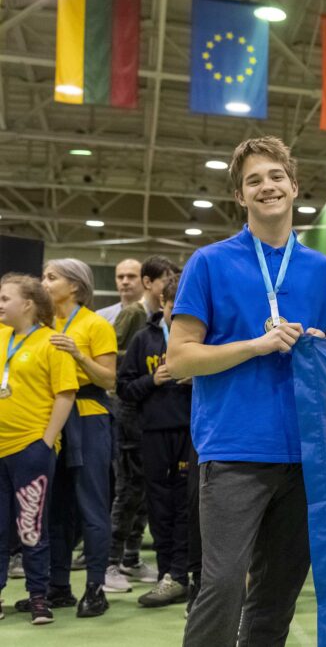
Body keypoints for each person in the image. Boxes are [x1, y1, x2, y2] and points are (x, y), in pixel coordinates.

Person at [168, 136, 326, 646]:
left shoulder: (320, 269)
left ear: (294, 186)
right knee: (223, 586)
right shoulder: (209, 262)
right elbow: (180, 358)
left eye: (275, 176)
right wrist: (256, 345)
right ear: (240, 196)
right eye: (253, 181)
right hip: (234, 450)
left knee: (277, 594)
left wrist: (322, 347)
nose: (266, 186)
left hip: (306, 453)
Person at [34, 258, 117, 618]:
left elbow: (109, 379)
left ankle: (96, 587)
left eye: (51, 277)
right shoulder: (41, 325)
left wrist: (78, 354)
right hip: (51, 416)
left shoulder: (96, 324)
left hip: (88, 416)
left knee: (91, 503)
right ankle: (58, 586)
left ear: (75, 286)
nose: (43, 283)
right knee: (55, 505)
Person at [0, 274, 79, 625]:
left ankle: (38, 598)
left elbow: (66, 394)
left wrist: (45, 442)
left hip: (30, 448)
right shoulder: (1, 337)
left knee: (31, 526)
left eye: (5, 298)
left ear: (28, 304)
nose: (0, 304)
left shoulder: (52, 342)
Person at [117, 274, 192, 608]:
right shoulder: (143, 339)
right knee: (159, 506)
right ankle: (167, 575)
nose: (179, 316)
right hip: (153, 434)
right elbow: (124, 390)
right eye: (175, 307)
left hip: (191, 432)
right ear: (163, 303)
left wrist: (198, 378)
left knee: (187, 505)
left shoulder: (199, 339)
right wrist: (153, 380)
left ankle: (183, 573)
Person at [105, 255, 178, 592]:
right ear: (152, 284)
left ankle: (131, 557)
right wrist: (150, 375)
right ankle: (110, 561)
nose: (124, 282)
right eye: (166, 279)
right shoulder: (136, 316)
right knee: (129, 491)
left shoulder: (167, 320)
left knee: (146, 494)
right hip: (132, 416)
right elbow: (115, 362)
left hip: (156, 418)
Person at [95, 259, 143, 324]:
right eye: (120, 277)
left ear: (144, 280)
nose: (125, 282)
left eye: (131, 276)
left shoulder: (154, 316)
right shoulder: (101, 317)